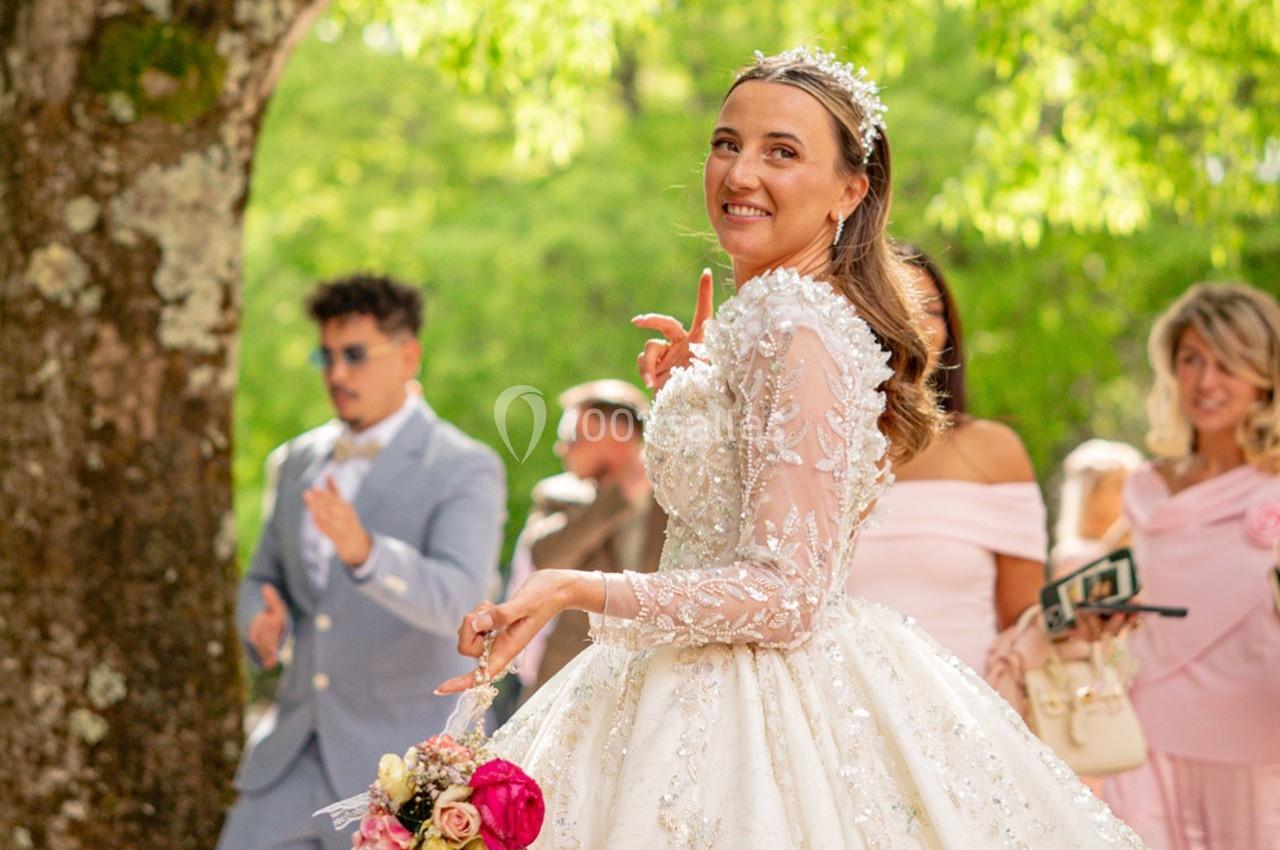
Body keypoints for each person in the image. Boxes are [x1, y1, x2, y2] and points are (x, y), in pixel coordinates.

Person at [436, 48, 1144, 848]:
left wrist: (575, 587)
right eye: (726, 143)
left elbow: (786, 594)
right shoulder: (776, 317)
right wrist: (703, 388)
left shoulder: (795, 325)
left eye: (782, 152)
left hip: (753, 709)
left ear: (850, 191)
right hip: (686, 676)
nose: (740, 173)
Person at [217, 274, 506, 850]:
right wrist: (259, 619)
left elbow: (462, 600)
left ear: (407, 356)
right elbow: (263, 577)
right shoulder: (295, 461)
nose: (336, 373)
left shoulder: (465, 466)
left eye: (354, 355)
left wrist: (368, 555)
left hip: (409, 770)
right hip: (288, 758)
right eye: (325, 356)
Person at [1104, 282, 1280, 850]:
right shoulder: (1147, 488)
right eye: (1191, 360)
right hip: (1149, 738)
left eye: (1227, 363)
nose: (1205, 382)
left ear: (1265, 375)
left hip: (1258, 744)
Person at [845, 246, 1048, 672]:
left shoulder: (994, 451)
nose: (917, 325)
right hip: (836, 705)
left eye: (932, 311)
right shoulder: (812, 452)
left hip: (970, 703)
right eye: (899, 306)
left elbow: (1025, 622)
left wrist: (1081, 623)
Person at [505, 380, 666, 701]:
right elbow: (545, 557)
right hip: (567, 686)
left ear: (619, 437)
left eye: (573, 439)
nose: (561, 449)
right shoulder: (557, 495)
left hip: (653, 684)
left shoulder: (672, 501)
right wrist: (619, 498)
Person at [1049, 438, 1144, 575]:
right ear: (1091, 495)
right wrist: (1114, 546)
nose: (1129, 494)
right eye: (1119, 486)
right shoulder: (1072, 554)